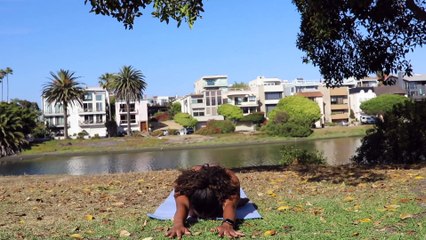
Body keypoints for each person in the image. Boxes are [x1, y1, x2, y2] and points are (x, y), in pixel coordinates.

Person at [166, 164, 245, 239]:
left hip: (222, 180)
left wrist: (227, 224)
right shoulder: (183, 185)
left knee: (235, 201)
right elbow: (182, 205)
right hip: (195, 176)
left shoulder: (231, 181)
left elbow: (230, 205)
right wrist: (178, 224)